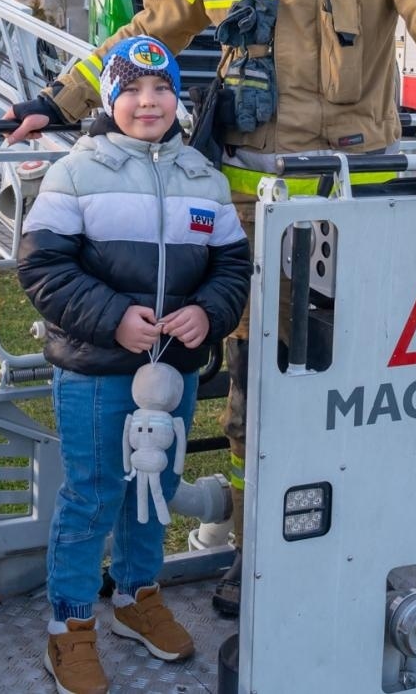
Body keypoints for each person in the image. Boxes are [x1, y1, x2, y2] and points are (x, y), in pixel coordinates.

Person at [7, 0, 416, 618]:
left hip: (355, 210)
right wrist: (57, 101)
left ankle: (364, 541)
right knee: (257, 385)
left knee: (361, 384)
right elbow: (143, 33)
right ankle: (260, 550)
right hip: (248, 214)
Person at [17, 37, 252, 694]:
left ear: (178, 97)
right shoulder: (77, 170)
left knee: (152, 491)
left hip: (170, 373)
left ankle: (135, 599)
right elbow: (40, 266)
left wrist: (208, 312)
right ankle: (70, 630)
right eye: (132, 90)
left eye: (161, 89)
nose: (148, 102)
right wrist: (113, 317)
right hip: (96, 370)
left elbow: (233, 266)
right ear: (111, 99)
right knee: (93, 497)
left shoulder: (203, 177)